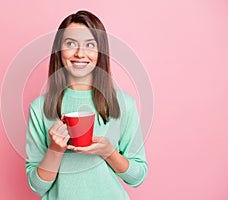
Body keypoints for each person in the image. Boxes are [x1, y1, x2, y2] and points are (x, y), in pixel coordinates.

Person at [26, 10, 148, 200]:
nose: (80, 53)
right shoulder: (39, 108)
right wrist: (55, 149)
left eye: (89, 45)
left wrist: (108, 152)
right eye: (70, 44)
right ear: (59, 50)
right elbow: (37, 186)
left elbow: (137, 176)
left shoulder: (123, 104)